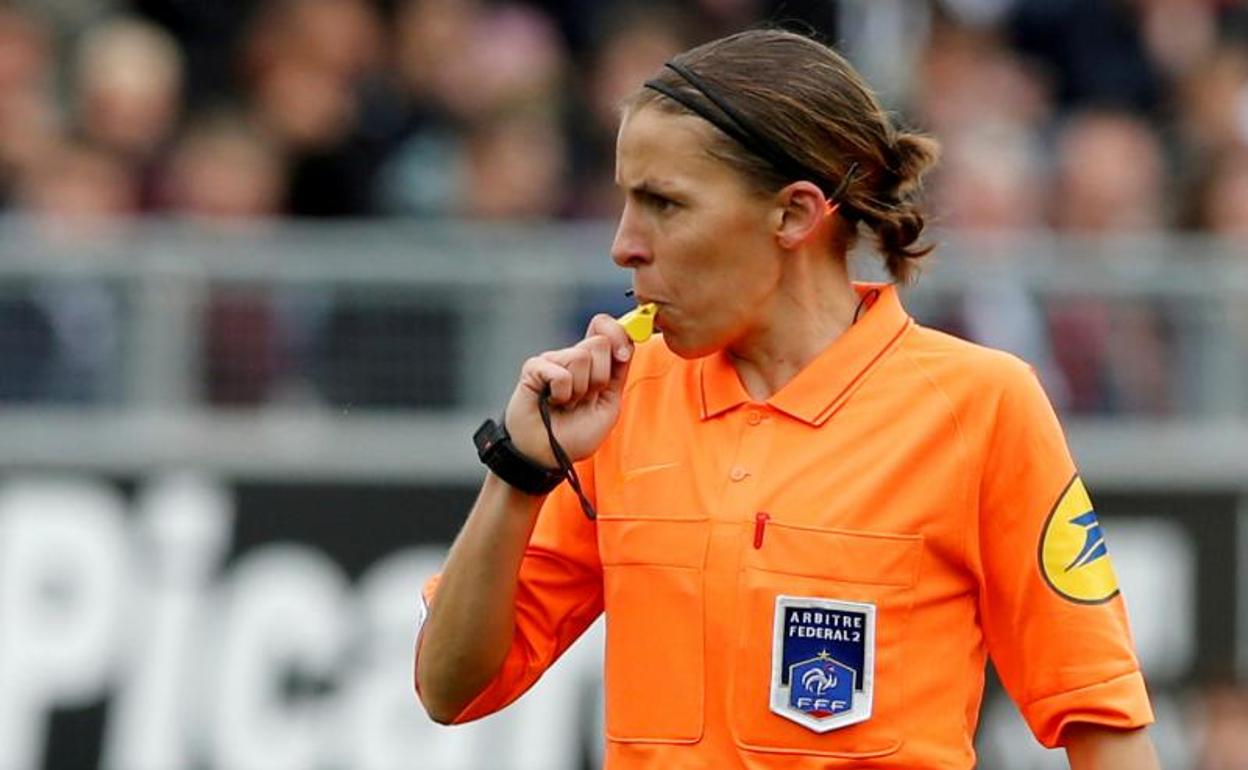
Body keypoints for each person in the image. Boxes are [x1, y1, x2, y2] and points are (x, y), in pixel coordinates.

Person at [415, 29, 1159, 769]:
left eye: (664, 204)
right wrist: (519, 470)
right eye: (625, 201)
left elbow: (1102, 719)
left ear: (796, 214)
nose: (623, 243)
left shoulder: (982, 405)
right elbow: (448, 689)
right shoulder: (619, 402)